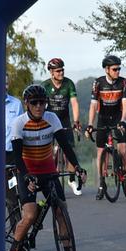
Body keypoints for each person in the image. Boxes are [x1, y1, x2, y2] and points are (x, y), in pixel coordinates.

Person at [7, 84, 88, 251]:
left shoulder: (52, 119)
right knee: (30, 214)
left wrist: (77, 167)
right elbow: (17, 157)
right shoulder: (19, 123)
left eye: (42, 102)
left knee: (61, 212)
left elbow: (66, 146)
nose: (39, 106)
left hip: (48, 170)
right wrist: (26, 176)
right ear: (27, 104)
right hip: (27, 171)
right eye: (34, 103)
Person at [87, 54, 126, 199]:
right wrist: (90, 124)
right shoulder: (98, 83)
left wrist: (123, 120)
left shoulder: (124, 82)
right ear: (106, 69)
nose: (117, 71)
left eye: (119, 69)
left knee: (122, 149)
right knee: (101, 152)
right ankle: (102, 184)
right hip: (103, 118)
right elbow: (93, 105)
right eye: (115, 69)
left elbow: (125, 105)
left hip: (118, 118)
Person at [42, 57, 82, 194]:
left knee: (70, 149)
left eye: (62, 70)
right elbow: (40, 106)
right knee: (49, 153)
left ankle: (71, 179)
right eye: (58, 71)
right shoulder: (45, 86)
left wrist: (76, 121)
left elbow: (74, 103)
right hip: (49, 120)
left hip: (64, 120)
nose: (61, 73)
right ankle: (50, 179)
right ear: (52, 72)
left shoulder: (69, 83)